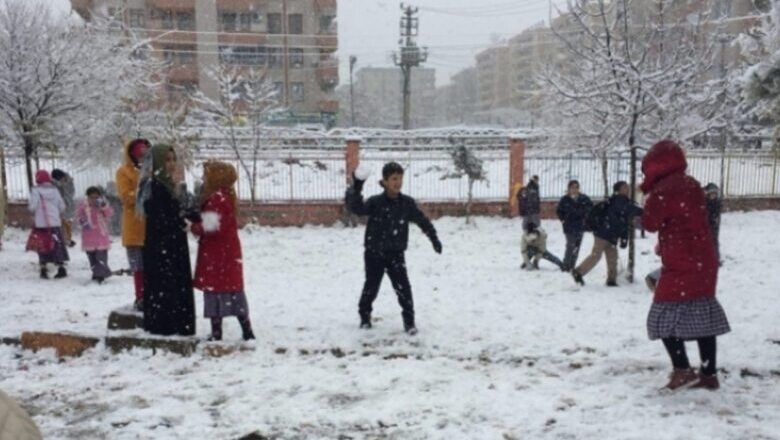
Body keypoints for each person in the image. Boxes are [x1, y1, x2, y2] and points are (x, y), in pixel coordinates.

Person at [641, 140, 730, 391]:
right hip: (704, 259)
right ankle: (709, 373)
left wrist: (643, 206)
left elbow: (649, 222)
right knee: (702, 314)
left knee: (660, 316)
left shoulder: (663, 190)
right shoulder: (691, 184)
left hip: (682, 262)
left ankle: (682, 369)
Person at [346, 162, 443, 335]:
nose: (398, 183)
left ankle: (409, 323)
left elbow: (422, 221)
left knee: (404, 288)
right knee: (371, 286)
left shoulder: (406, 203)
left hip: (396, 254)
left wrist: (433, 238)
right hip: (374, 253)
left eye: (400, 178)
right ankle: (365, 317)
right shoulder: (376, 202)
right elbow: (357, 208)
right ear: (385, 181)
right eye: (394, 179)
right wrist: (357, 187)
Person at [191, 161, 255, 342]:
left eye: (206, 174)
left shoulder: (216, 199)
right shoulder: (225, 197)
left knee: (215, 292)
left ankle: (217, 332)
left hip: (216, 254)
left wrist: (193, 226)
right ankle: (246, 330)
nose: (203, 178)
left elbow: (210, 226)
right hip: (227, 253)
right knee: (233, 292)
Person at [138, 144, 196, 337]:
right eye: (167, 160)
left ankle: (179, 323)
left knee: (176, 284)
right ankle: (165, 325)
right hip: (160, 246)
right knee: (165, 286)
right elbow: (166, 217)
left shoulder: (173, 184)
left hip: (174, 245)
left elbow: (190, 211)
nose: (171, 164)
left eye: (173, 159)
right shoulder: (152, 186)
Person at [573, 181, 642, 287]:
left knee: (612, 258)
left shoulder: (624, 201)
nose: (627, 189)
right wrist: (644, 211)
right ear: (618, 190)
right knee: (596, 255)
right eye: (624, 187)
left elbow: (623, 222)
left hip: (612, 235)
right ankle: (578, 272)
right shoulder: (618, 201)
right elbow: (627, 211)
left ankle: (611, 280)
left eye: (627, 187)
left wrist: (624, 238)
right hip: (603, 233)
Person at [117, 138, 149, 310]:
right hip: (134, 228)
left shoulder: (153, 171)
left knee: (152, 266)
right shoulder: (124, 172)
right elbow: (126, 196)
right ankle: (141, 297)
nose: (142, 158)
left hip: (152, 228)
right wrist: (145, 193)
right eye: (140, 154)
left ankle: (152, 296)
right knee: (138, 268)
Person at [27, 170, 69, 279]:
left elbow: (33, 206)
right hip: (54, 223)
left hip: (41, 224)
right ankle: (61, 268)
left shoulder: (36, 190)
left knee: (42, 247)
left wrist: (31, 211)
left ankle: (43, 269)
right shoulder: (55, 190)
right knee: (57, 245)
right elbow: (62, 206)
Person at [75, 187, 114, 283]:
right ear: (87, 197)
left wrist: (104, 206)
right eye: (91, 197)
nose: (94, 200)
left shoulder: (102, 206)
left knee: (101, 257)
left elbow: (109, 213)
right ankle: (96, 272)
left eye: (96, 197)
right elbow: (78, 216)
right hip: (89, 236)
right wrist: (82, 221)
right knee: (92, 257)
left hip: (101, 235)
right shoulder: (83, 206)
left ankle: (100, 274)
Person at [556, 180, 593, 271]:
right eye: (572, 187)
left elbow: (590, 208)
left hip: (580, 226)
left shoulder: (584, 198)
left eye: (576, 187)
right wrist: (563, 219)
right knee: (570, 245)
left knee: (577, 246)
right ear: (569, 189)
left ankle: (572, 265)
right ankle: (566, 265)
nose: (574, 189)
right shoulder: (565, 199)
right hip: (569, 226)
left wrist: (585, 217)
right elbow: (559, 211)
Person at [51, 169, 76, 247]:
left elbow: (72, 192)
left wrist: (65, 185)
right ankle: (64, 239)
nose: (62, 180)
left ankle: (68, 239)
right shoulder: (54, 184)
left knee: (68, 224)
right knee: (62, 224)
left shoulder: (69, 182)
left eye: (62, 178)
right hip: (60, 207)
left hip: (69, 206)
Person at [703, 183, 722, 264]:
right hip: (705, 225)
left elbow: (716, 213)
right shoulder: (704, 202)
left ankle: (715, 259)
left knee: (713, 242)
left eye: (715, 194)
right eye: (711, 194)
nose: (713, 196)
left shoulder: (717, 203)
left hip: (714, 225)